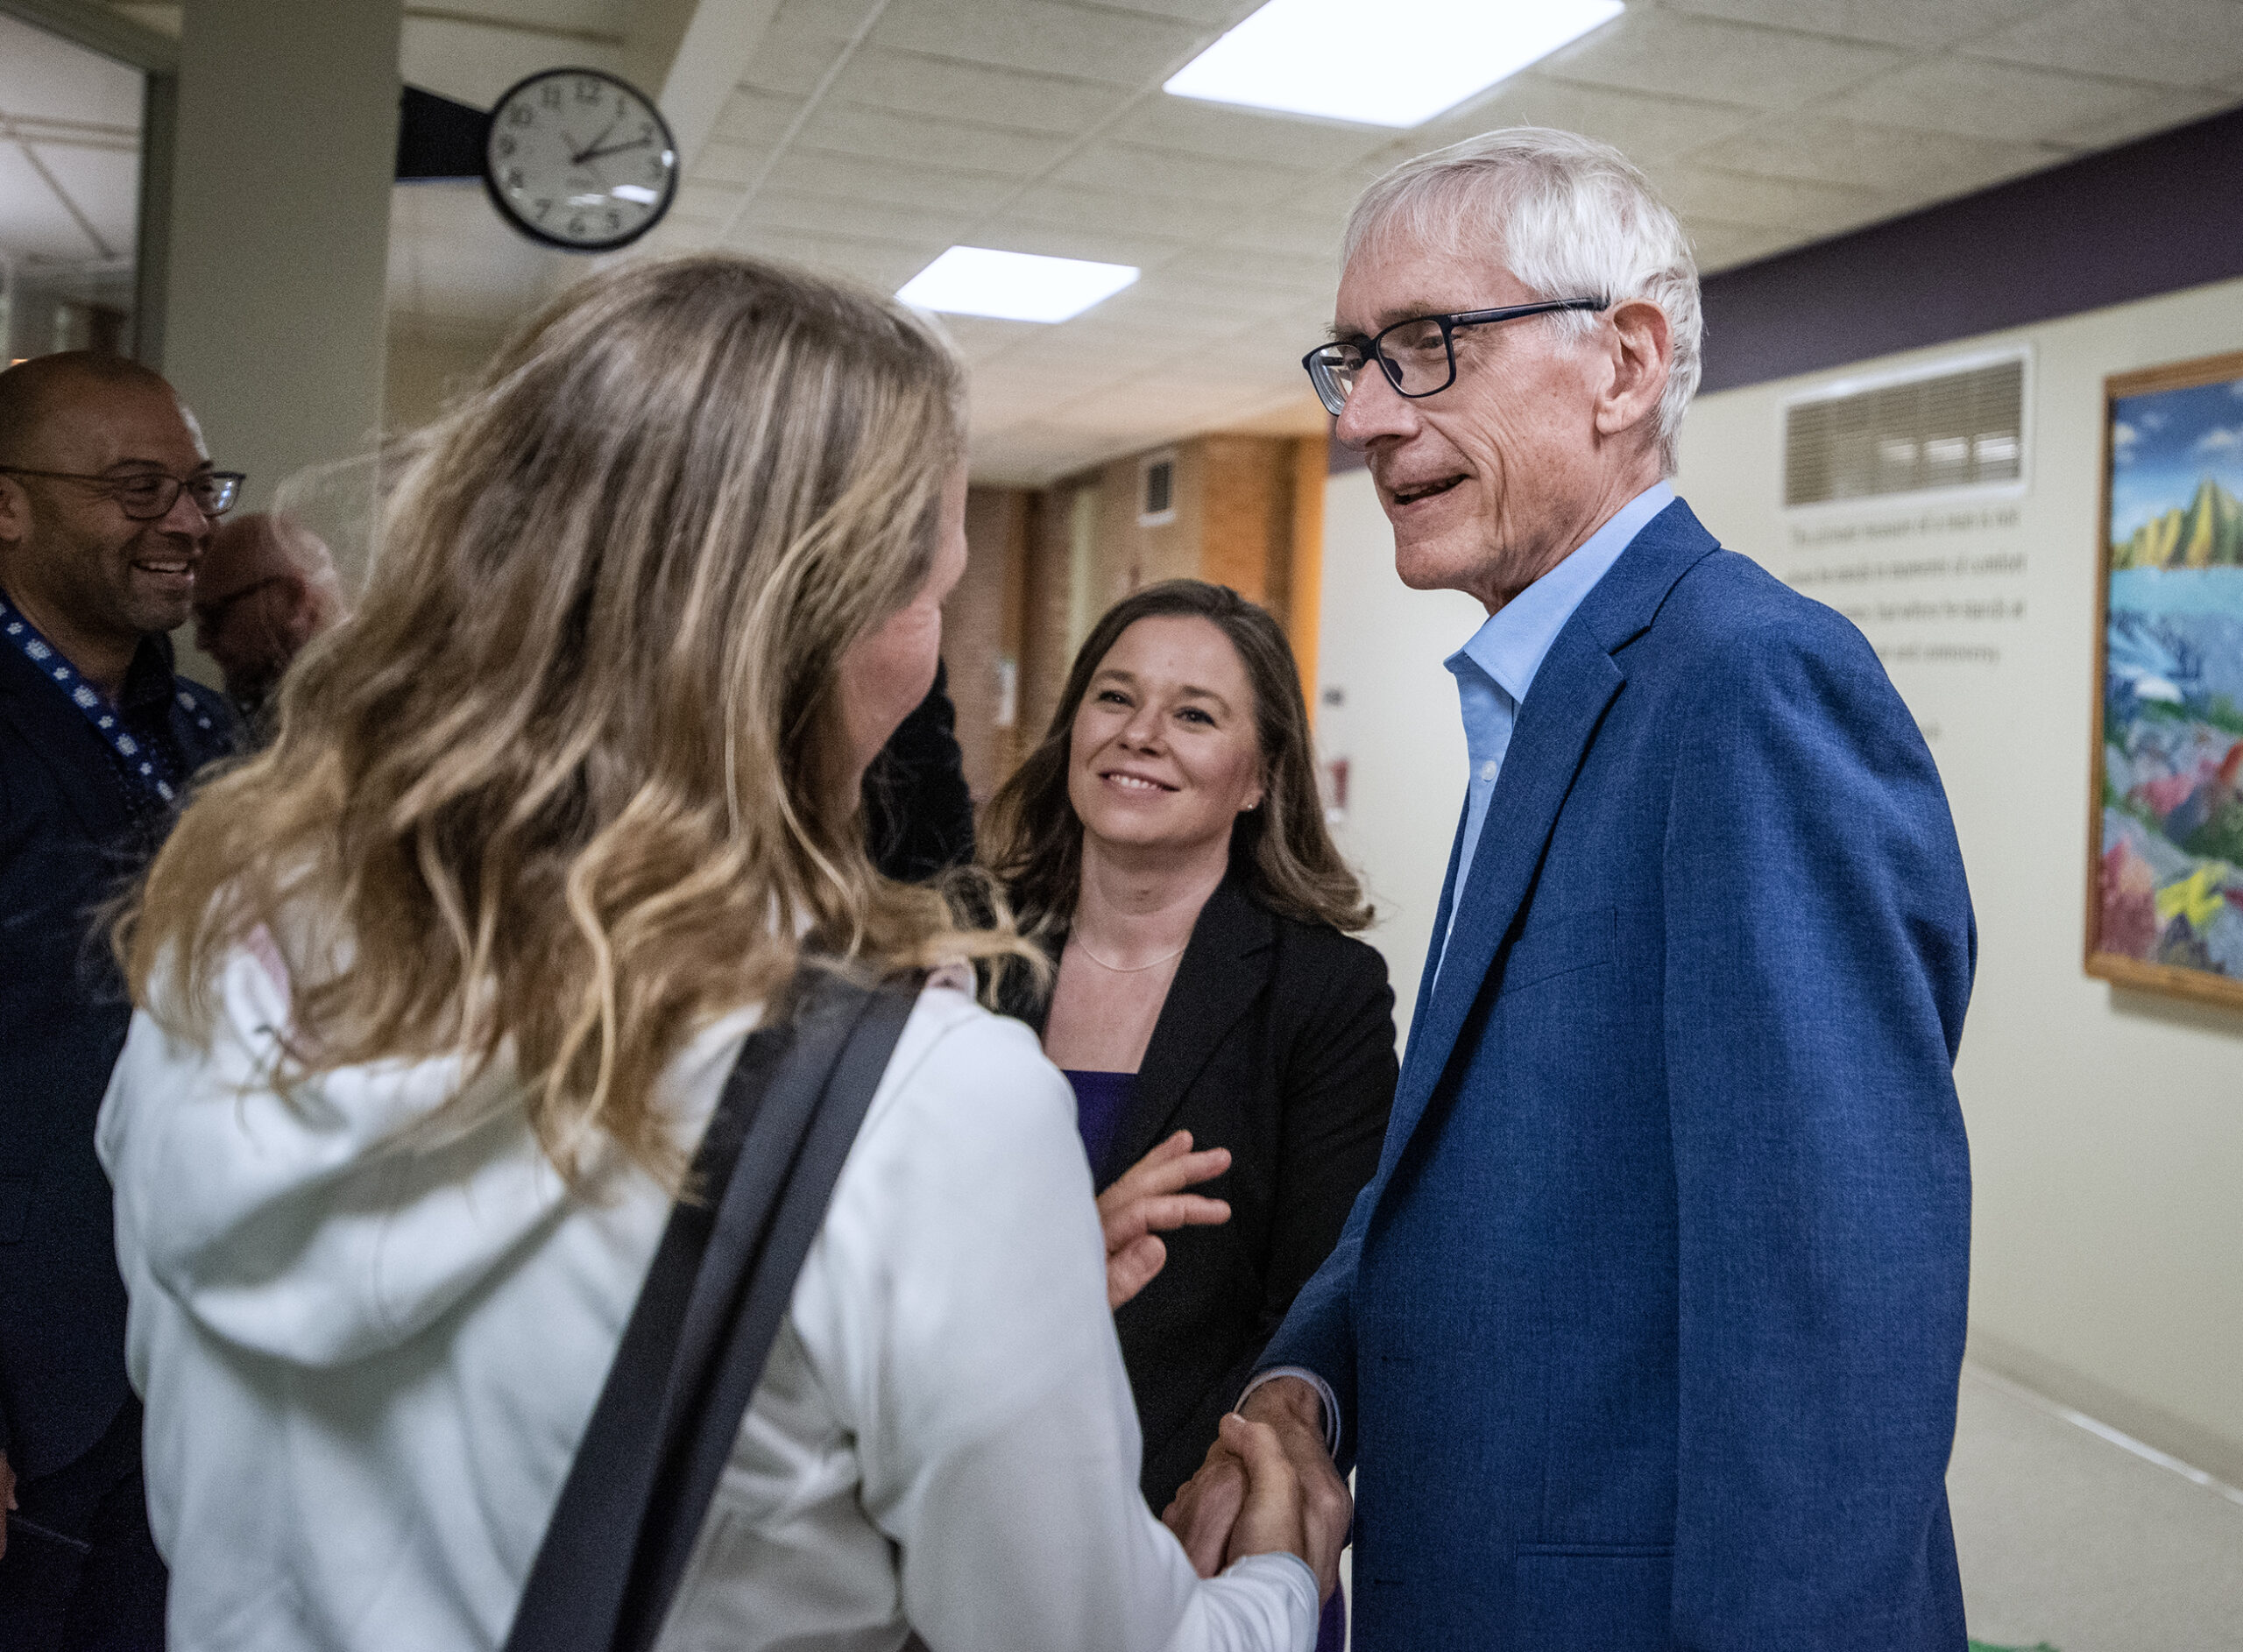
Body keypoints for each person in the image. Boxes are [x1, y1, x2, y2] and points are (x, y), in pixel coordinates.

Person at [96, 253, 1347, 1652]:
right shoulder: (916, 1105)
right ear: (831, 632)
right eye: (932, 586)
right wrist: (1278, 1582)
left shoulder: (220, 966)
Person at [1164, 128, 1977, 1649]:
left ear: (1624, 363)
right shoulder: (1552, 699)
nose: (1364, 419)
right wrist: (1309, 1373)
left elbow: (1830, 1319)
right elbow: (1477, 1167)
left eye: (1427, 349)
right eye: (1353, 359)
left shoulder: (1745, 690)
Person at [983, 581, 1396, 1647]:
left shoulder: (1322, 993)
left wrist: (1190, 1498)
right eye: (1114, 696)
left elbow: (1317, 1295)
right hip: (955, 1509)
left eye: (1195, 713)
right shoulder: (959, 959)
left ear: (1259, 777)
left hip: (1198, 1538)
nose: (1140, 734)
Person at [0, 351, 242, 1649]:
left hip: (190, 1363)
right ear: (7, 505)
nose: (190, 520)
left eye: (200, 486)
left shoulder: (207, 739)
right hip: (31, 1376)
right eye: (138, 486)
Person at [190, 511, 346, 724]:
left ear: (292, 596)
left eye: (215, 615)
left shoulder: (388, 697)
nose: (201, 643)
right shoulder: (252, 704)